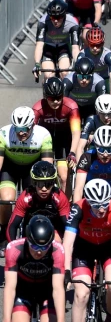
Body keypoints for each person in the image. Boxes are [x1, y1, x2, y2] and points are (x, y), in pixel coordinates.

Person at [64, 179, 111, 322]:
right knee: (81, 295)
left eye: (105, 204)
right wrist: (67, 270)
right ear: (87, 201)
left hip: (108, 247)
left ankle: (110, 318)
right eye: (95, 205)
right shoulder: (78, 208)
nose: (101, 209)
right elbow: (68, 243)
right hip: (84, 247)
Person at [0, 107, 53, 252]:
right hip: (10, 168)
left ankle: (30, 232)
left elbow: (47, 166)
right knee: (6, 199)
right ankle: (4, 235)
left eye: (25, 129)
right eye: (17, 129)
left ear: (32, 126)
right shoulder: (4, 133)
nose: (21, 133)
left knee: (33, 201)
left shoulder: (43, 135)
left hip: (32, 169)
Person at [3, 216, 66, 322]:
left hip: (46, 291)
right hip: (24, 290)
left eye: (45, 247)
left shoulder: (57, 250)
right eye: (35, 246)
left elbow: (58, 289)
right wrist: (6, 318)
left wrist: (61, 319)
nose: (39, 252)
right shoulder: (13, 249)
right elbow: (10, 288)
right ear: (27, 239)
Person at [33, 77, 81, 196]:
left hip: (64, 139)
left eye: (58, 98)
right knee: (45, 176)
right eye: (51, 98)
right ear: (45, 96)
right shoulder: (38, 107)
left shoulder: (71, 106)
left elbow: (76, 132)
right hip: (45, 141)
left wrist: (72, 152)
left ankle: (65, 207)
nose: (55, 101)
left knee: (64, 177)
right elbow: (31, 131)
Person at [7, 161, 70, 243]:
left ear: (53, 184)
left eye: (48, 184)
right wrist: (13, 245)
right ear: (34, 183)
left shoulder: (60, 198)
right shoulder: (25, 197)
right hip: (30, 234)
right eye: (40, 184)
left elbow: (69, 227)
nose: (44, 189)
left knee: (57, 239)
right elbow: (12, 226)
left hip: (53, 235)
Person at [73, 125, 111, 203]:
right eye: (101, 149)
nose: (105, 154)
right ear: (95, 146)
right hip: (91, 191)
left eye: (110, 150)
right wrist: (76, 209)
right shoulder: (86, 158)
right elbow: (79, 189)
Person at [34, 0, 80, 82]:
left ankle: (64, 94)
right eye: (52, 17)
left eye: (58, 18)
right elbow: (39, 45)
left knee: (65, 73)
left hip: (63, 49)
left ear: (64, 15)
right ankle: (46, 91)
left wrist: (77, 63)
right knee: (48, 76)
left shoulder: (72, 23)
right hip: (49, 49)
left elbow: (75, 47)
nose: (55, 21)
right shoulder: (43, 22)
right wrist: (37, 64)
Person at [62, 56, 106, 121]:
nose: (84, 80)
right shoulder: (68, 81)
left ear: (92, 75)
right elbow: (63, 103)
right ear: (76, 74)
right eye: (80, 76)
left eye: (87, 77)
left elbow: (102, 106)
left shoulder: (99, 82)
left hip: (91, 107)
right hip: (74, 107)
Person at [79, 26, 111, 96]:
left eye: (98, 45)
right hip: (87, 80)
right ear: (88, 43)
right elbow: (77, 75)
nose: (95, 48)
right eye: (92, 45)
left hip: (104, 80)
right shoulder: (82, 54)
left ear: (102, 43)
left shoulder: (108, 55)